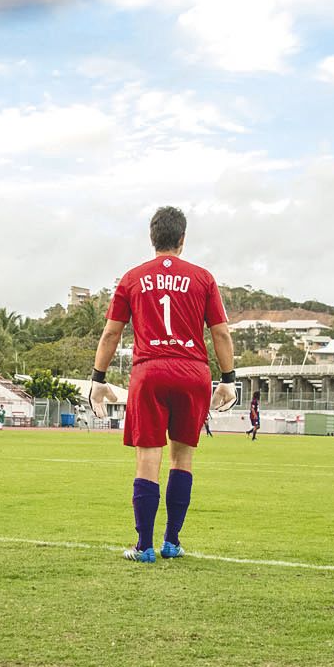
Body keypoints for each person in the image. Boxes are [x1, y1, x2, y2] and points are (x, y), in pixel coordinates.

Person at [85, 206, 235, 563]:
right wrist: (229, 378)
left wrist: (98, 378)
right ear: (182, 239)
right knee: (182, 458)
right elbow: (221, 333)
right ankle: (172, 542)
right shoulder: (203, 278)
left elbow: (111, 332)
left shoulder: (132, 278)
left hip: (150, 372)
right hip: (193, 372)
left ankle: (144, 547)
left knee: (147, 458)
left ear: (152, 238)